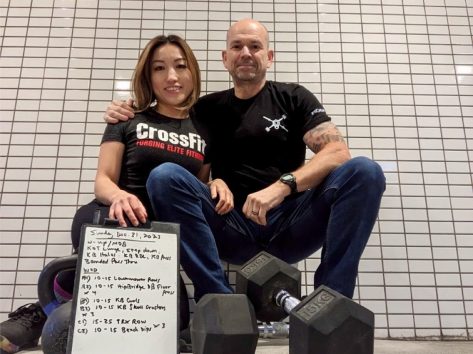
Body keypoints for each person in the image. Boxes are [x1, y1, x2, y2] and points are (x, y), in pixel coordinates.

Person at [103, 18, 386, 302]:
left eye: (255, 46)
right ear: (225, 58)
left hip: (291, 223)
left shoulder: (293, 97)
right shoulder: (205, 109)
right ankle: (220, 300)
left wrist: (282, 186)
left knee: (365, 171)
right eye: (237, 46)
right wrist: (128, 109)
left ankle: (332, 301)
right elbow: (189, 162)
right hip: (231, 225)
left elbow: (337, 152)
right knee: (165, 176)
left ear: (269, 56)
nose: (246, 53)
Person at [0, 34, 206, 354]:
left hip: (160, 236)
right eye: (159, 68)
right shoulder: (128, 118)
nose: (172, 77)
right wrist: (120, 196)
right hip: (113, 215)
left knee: (175, 319)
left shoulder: (204, 131)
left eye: (180, 66)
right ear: (147, 77)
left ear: (192, 71)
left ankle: (53, 307)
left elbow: (197, 191)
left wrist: (217, 182)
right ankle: (44, 312)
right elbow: (103, 179)